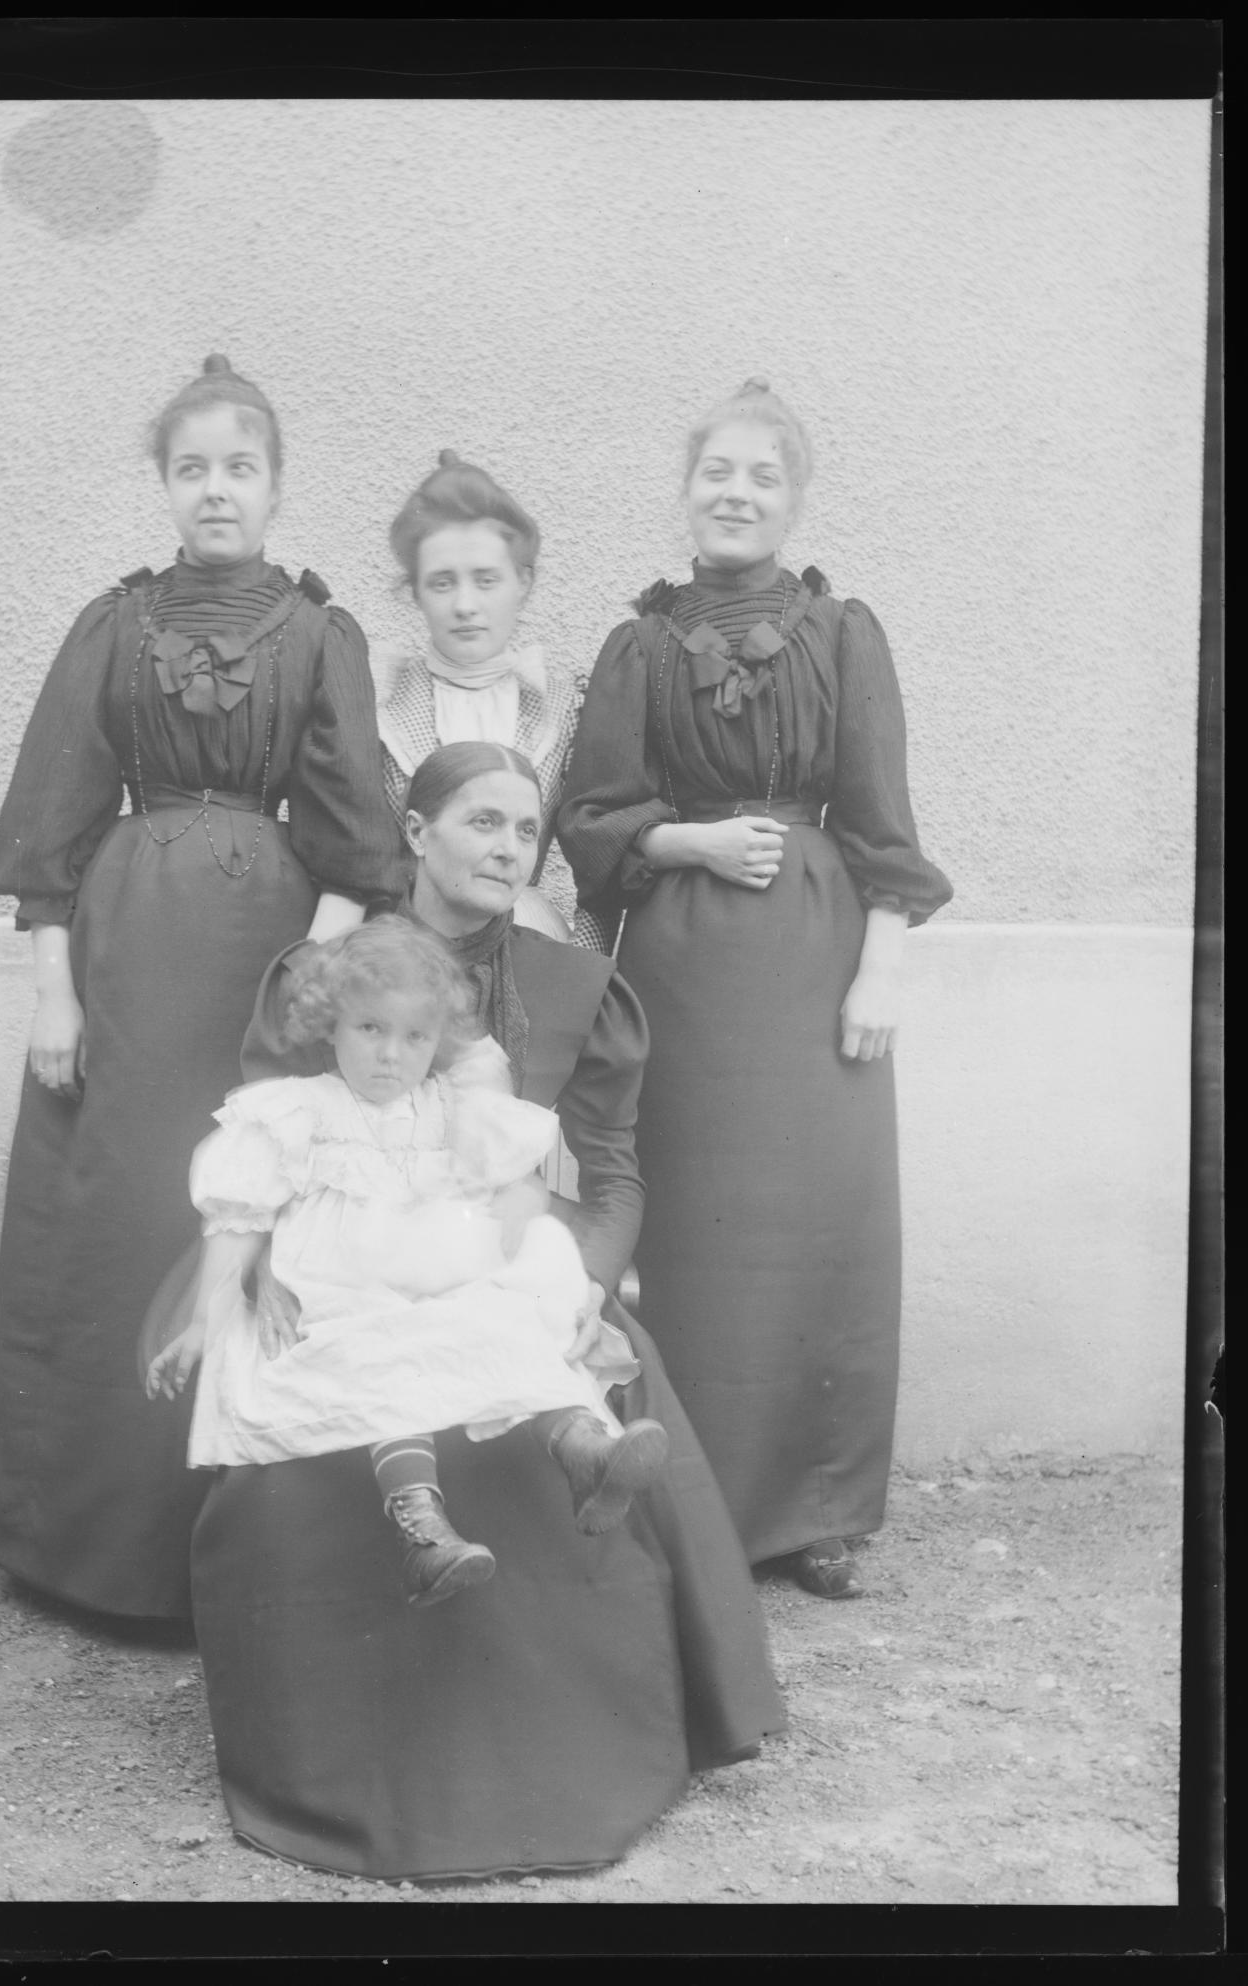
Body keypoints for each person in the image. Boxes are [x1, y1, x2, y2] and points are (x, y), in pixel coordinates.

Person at [185, 741, 785, 1882]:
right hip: (340, 1279)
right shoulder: (321, 979)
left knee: (567, 1361)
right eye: (482, 823)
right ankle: (353, 1747)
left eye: (526, 832)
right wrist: (258, 1286)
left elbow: (608, 1172)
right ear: (416, 834)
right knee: (311, 1387)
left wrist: (584, 1283)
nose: (509, 848)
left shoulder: (575, 987)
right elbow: (264, 1156)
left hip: (505, 1271)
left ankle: (581, 1732)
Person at [0, 355, 405, 1620]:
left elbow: (352, 828)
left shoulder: (322, 633)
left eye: (240, 468)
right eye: (193, 469)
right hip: (124, 950)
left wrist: (312, 974)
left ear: (275, 486)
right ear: (164, 486)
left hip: (265, 956)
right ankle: (94, 1549)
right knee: (119, 1213)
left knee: (250, 1206)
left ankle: (242, 1551)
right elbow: (50, 827)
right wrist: (54, 995)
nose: (216, 490)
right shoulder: (112, 625)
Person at [558, 378, 953, 1602]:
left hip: (816, 959)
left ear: (795, 500)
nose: (736, 493)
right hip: (681, 963)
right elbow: (590, 815)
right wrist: (692, 843)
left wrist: (879, 967)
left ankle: (821, 1512)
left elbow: (884, 823)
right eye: (716, 473)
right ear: (685, 491)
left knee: (819, 1229)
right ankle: (695, 1497)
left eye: (762, 476)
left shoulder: (844, 636)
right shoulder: (638, 645)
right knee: (694, 1231)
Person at [144, 918, 668, 1608]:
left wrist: (513, 1211)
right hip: (338, 1289)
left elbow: (512, 1183)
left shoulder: (453, 1109)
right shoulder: (298, 1111)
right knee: (380, 1356)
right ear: (331, 1025)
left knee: (506, 1321)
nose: (391, 1055)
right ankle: (424, 1534)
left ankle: (586, 1452)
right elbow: (238, 1221)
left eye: (415, 1037)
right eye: (370, 1030)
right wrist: (203, 1319)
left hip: (436, 1271)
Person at [370, 450, 608, 947]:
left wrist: (585, 975)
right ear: (415, 592)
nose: (464, 606)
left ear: (523, 582)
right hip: (406, 945)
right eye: (441, 582)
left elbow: (596, 865)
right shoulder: (381, 704)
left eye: (485, 580)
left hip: (527, 941)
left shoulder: (561, 707)